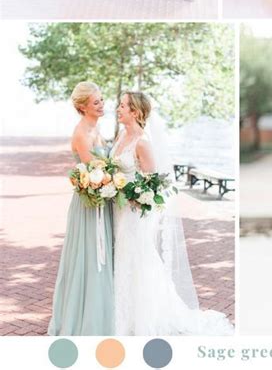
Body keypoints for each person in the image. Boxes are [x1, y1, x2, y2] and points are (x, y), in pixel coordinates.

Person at [111, 91, 233, 335]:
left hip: (134, 212)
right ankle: (121, 311)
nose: (118, 109)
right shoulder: (121, 136)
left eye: (123, 105)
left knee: (135, 258)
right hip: (118, 208)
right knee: (123, 257)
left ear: (135, 111)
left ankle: (139, 317)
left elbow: (153, 183)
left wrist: (132, 194)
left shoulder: (143, 143)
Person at [49, 83, 114, 335]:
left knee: (103, 256)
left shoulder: (96, 129)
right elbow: (99, 172)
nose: (101, 105)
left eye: (102, 100)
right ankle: (88, 320)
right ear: (82, 106)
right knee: (89, 259)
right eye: (96, 102)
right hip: (90, 206)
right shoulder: (81, 134)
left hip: (103, 200)